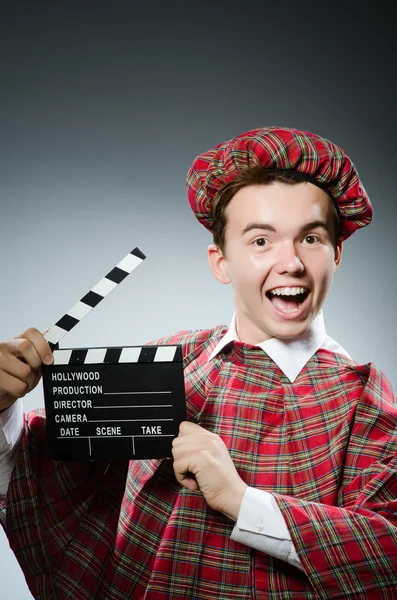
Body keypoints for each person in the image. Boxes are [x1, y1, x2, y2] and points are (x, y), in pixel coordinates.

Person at [1, 126, 396, 599]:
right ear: (220, 261)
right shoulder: (170, 362)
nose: (290, 262)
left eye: (310, 238)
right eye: (261, 241)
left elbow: (387, 552)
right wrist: (3, 409)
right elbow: (49, 488)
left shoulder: (363, 398)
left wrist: (241, 501)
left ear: (336, 252)